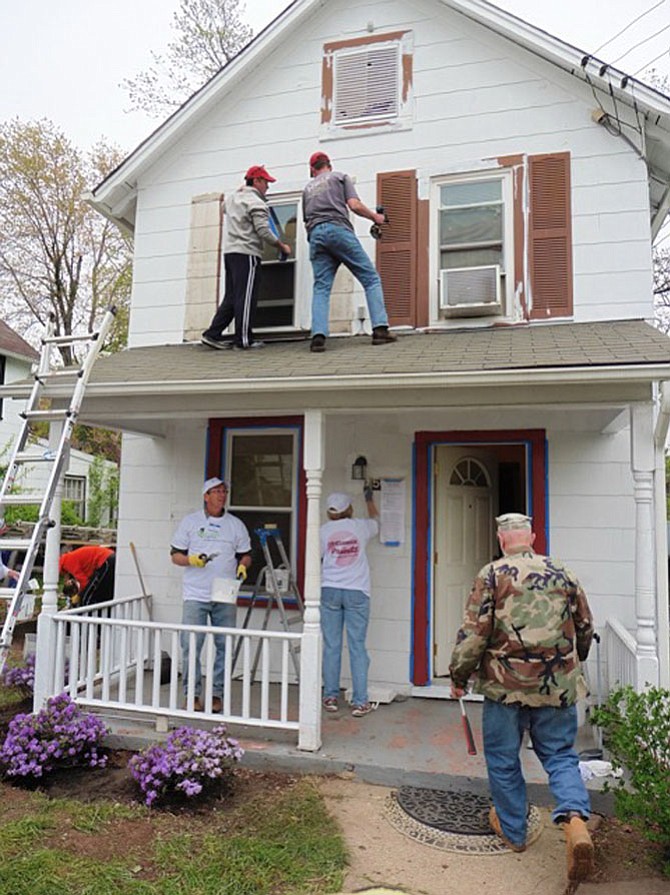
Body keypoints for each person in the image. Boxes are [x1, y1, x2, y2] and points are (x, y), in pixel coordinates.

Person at [449, 513, 595, 882]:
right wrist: (574, 660)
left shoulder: (491, 575)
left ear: (501, 539)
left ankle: (514, 833)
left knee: (502, 758)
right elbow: (585, 625)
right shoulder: (563, 572)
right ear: (531, 536)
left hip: (505, 688)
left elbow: (474, 634)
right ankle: (576, 821)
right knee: (561, 756)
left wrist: (458, 677)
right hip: (556, 685)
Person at [302, 152, 398, 353]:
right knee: (370, 278)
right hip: (338, 230)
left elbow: (306, 221)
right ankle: (380, 330)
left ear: (313, 169)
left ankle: (318, 337)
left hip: (316, 235)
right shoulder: (340, 177)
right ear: (329, 164)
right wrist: (375, 217)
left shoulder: (307, 189)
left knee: (321, 287)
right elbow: (354, 205)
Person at [170, 477, 252, 712]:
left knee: (224, 645)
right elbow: (175, 555)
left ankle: (217, 694)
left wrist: (243, 566)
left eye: (224, 491)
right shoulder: (190, 522)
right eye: (216, 491)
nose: (221, 495)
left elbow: (246, 554)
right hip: (196, 593)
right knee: (191, 645)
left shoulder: (235, 524)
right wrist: (191, 560)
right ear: (206, 496)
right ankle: (191, 695)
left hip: (224, 592)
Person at [201, 165, 292, 351]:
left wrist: (239, 190)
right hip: (247, 254)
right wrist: (281, 245)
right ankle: (243, 340)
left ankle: (212, 334)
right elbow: (263, 231)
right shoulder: (257, 203)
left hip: (230, 253)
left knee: (232, 296)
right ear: (256, 181)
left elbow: (223, 207)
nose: (268, 187)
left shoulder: (233, 198)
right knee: (246, 297)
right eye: (266, 182)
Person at [320, 489, 379, 717]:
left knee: (332, 646)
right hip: (357, 591)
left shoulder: (323, 531)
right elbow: (377, 521)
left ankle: (331, 696)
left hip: (330, 590)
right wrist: (369, 500)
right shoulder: (360, 527)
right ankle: (360, 701)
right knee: (357, 646)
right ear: (349, 509)